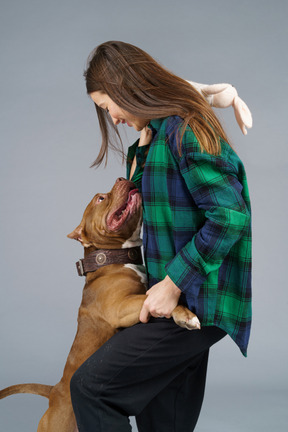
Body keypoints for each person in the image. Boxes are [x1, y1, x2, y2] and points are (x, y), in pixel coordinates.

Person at [70, 41, 252, 432]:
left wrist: (173, 283)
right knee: (163, 422)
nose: (113, 119)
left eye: (107, 106)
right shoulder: (162, 133)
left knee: (90, 388)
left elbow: (229, 217)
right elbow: (141, 200)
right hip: (176, 297)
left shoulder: (186, 131)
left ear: (125, 89)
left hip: (195, 298)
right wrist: (145, 138)